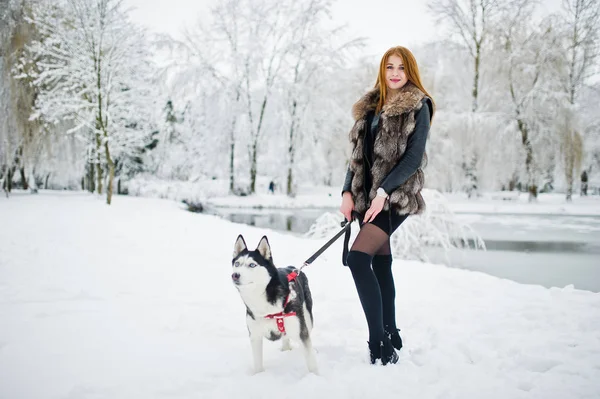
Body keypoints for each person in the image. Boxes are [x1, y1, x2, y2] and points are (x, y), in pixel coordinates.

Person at [339, 46, 434, 365]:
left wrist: (383, 191)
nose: (395, 73)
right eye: (389, 67)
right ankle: (391, 331)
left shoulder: (418, 106)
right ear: (382, 70)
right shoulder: (369, 107)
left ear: (410, 72)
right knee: (379, 264)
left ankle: (379, 343)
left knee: (356, 258)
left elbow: (413, 158)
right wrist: (346, 193)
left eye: (401, 68)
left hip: (396, 196)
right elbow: (356, 156)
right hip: (367, 199)